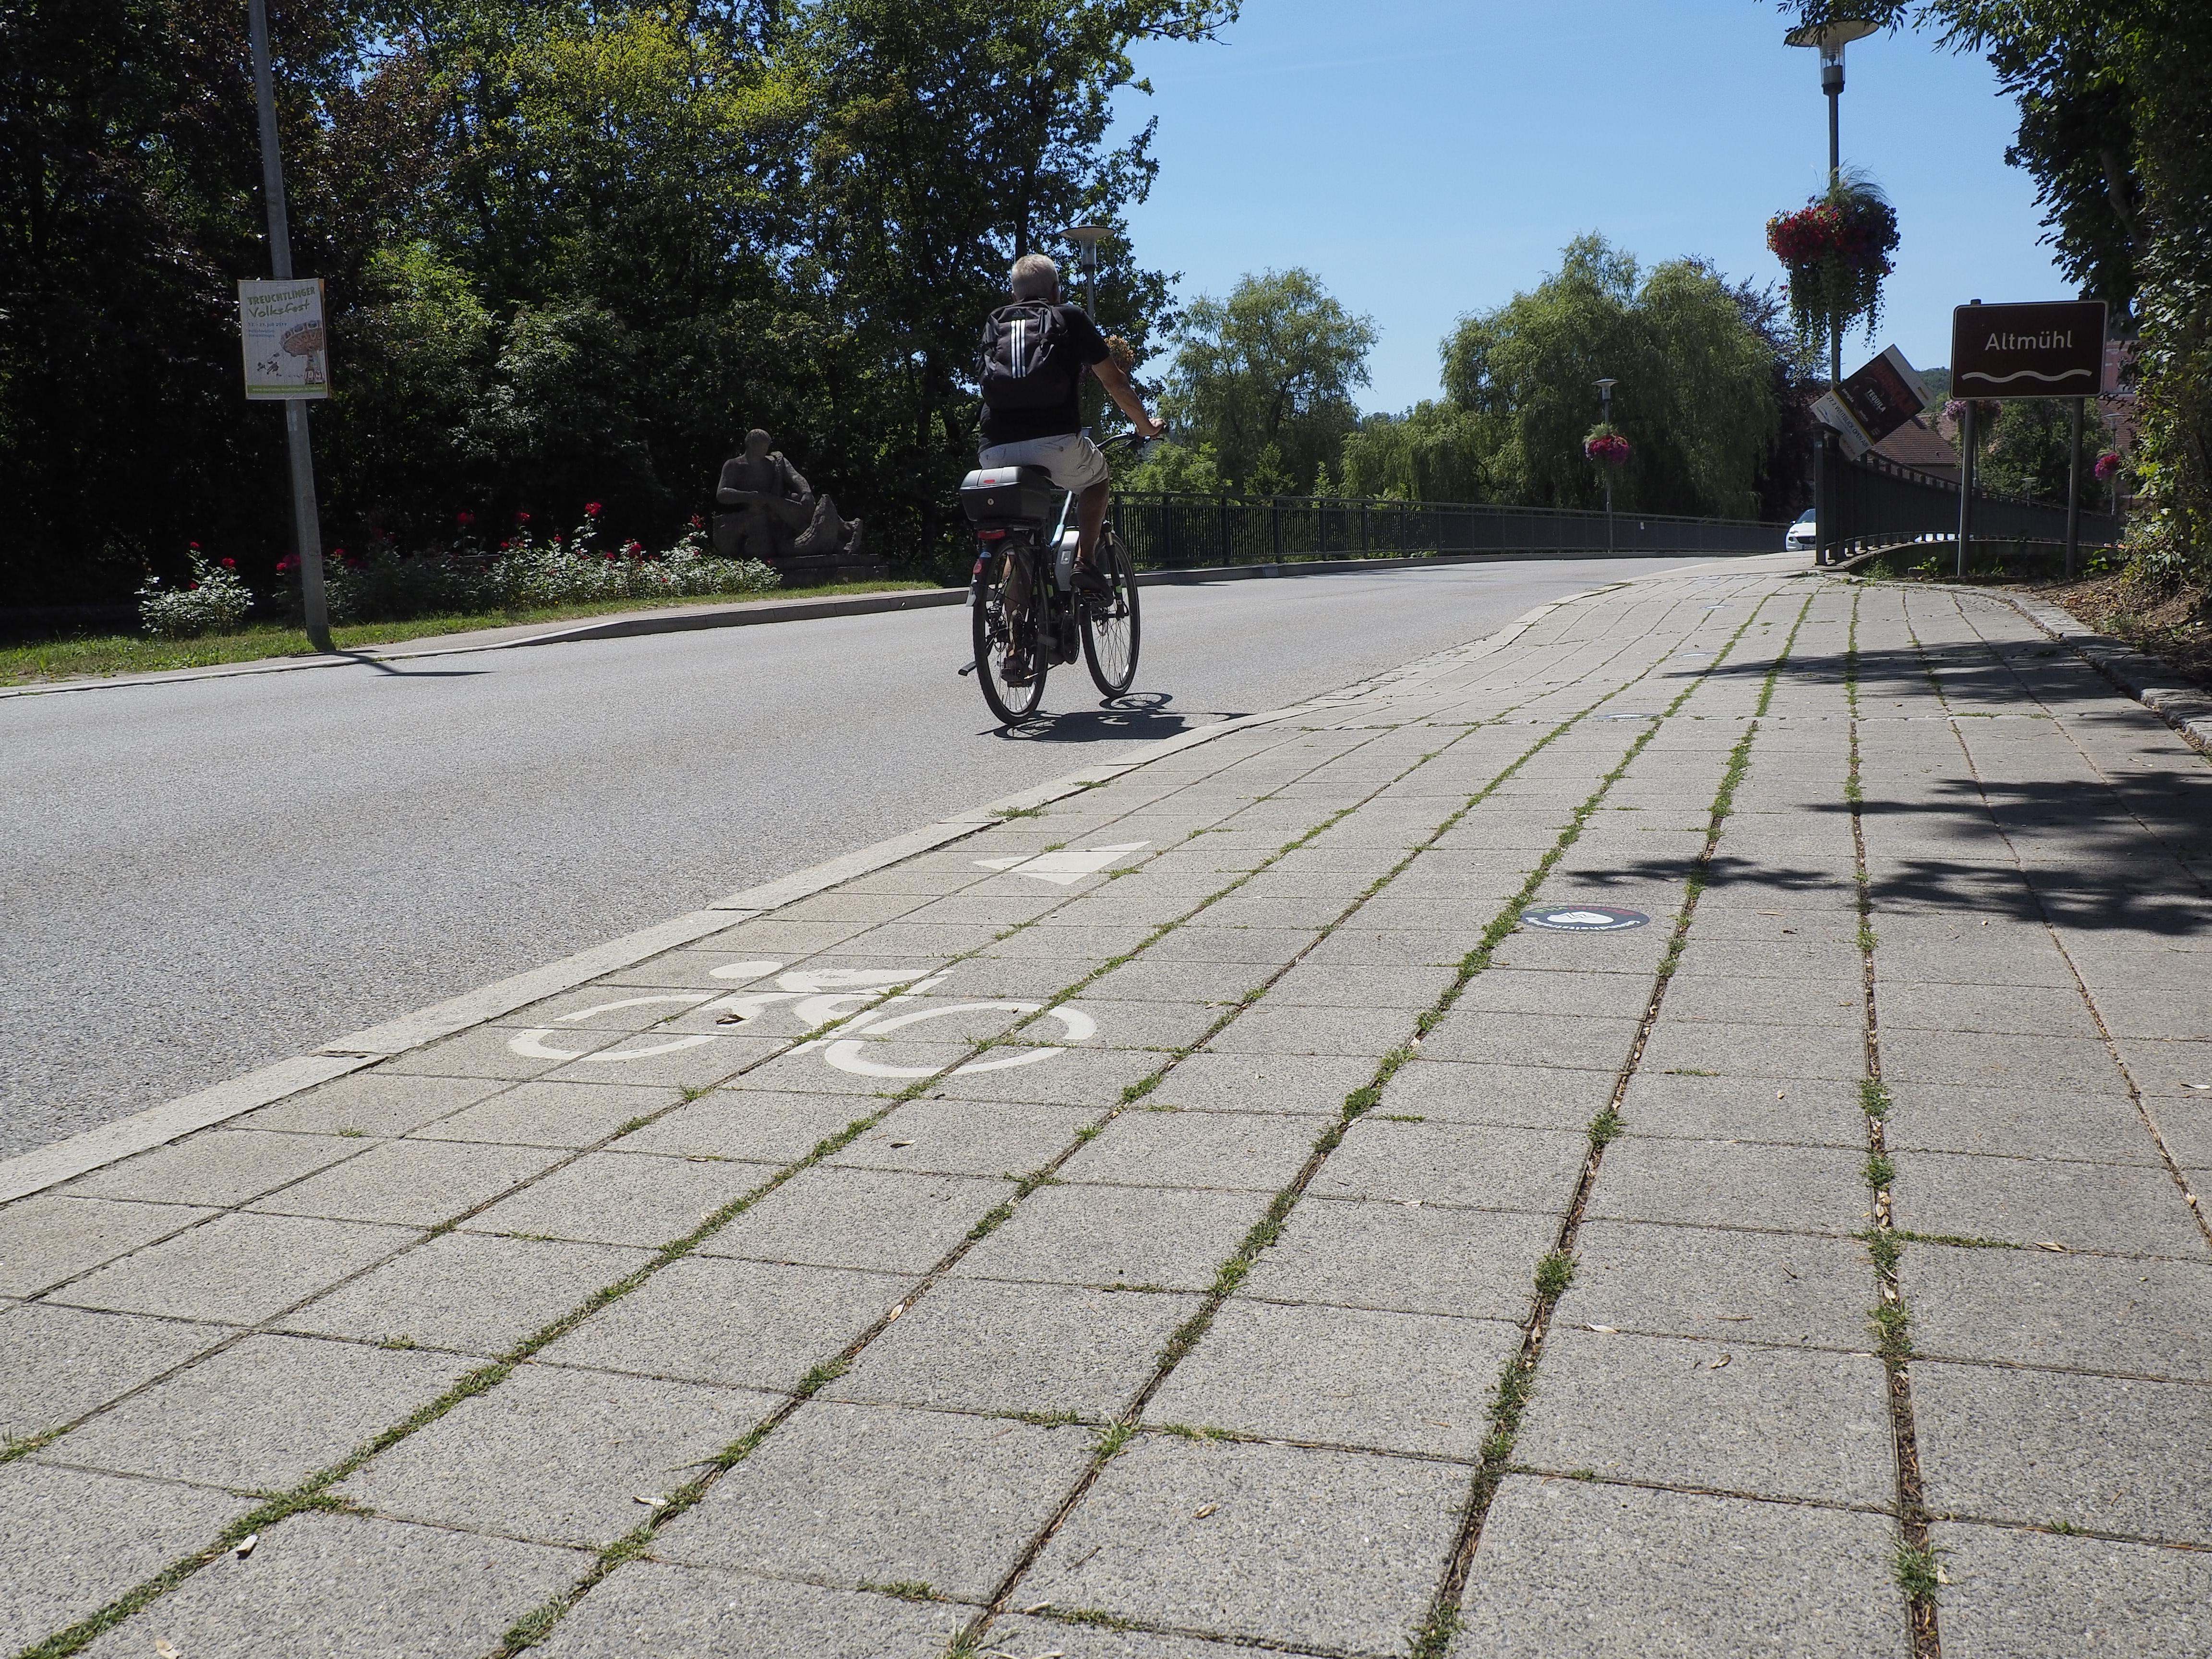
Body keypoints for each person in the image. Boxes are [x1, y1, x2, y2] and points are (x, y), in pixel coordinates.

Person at [978, 252, 1161, 681]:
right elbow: (1114, 380)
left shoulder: (994, 323)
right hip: (1056, 441)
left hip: (994, 449)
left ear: (1015, 294)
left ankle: (1013, 648)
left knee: (1017, 539)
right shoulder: (1069, 317)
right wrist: (1146, 426)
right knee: (1096, 480)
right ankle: (1084, 563)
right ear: (1055, 292)